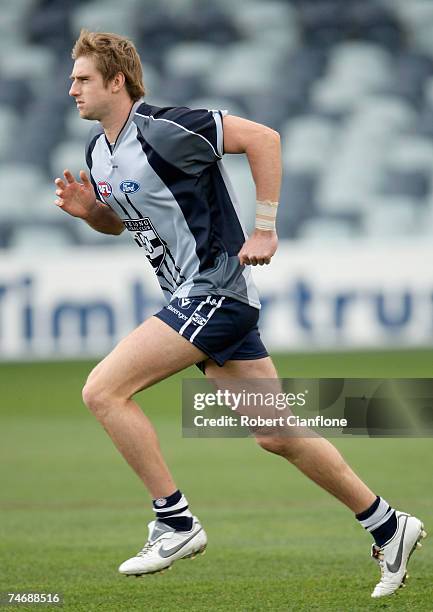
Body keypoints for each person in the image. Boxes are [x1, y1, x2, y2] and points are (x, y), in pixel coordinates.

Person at [55, 29, 426, 598]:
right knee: (277, 435)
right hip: (197, 298)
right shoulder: (98, 152)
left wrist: (265, 228)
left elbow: (265, 139)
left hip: (215, 291)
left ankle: (175, 522)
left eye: (82, 79)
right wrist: (92, 216)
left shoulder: (167, 127)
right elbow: (124, 220)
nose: (72, 88)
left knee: (103, 391)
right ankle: (386, 524)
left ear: (117, 81)